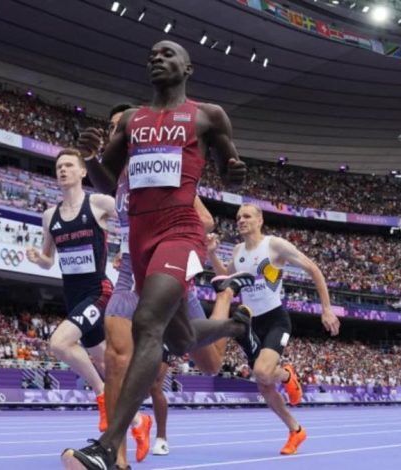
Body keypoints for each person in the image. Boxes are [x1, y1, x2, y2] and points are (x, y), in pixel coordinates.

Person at [62, 40, 249, 470]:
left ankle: (107, 448)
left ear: (188, 67)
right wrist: (91, 157)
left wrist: (235, 168)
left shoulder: (207, 115)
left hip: (179, 232)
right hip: (140, 243)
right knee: (179, 338)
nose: (157, 59)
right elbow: (109, 182)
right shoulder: (131, 120)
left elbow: (229, 164)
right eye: (151, 56)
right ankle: (237, 327)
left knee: (146, 324)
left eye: (167, 54)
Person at [101, 103, 254, 470]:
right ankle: (115, 457)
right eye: (111, 128)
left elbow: (205, 220)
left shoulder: (155, 167)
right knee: (117, 356)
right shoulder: (114, 177)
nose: (114, 133)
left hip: (166, 269)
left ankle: (227, 302)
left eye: (119, 127)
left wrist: (165, 238)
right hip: (129, 276)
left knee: (211, 364)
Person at [207, 203, 340, 455]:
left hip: (276, 319)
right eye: (238, 217)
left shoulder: (274, 246)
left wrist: (326, 309)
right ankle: (295, 430)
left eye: (246, 216)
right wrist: (211, 253)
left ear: (260, 220)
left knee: (262, 371)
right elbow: (227, 280)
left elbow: (313, 269)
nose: (241, 220)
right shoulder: (237, 251)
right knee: (263, 383)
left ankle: (287, 375)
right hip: (251, 324)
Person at [27, 148, 115, 432]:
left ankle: (101, 395)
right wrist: (37, 259)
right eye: (58, 167)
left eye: (68, 165)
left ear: (82, 172)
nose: (62, 170)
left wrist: (125, 250)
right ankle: (137, 420)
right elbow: (49, 260)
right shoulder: (49, 215)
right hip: (72, 295)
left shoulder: (99, 203)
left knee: (59, 343)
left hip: (98, 290)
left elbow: (132, 218)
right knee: (106, 359)